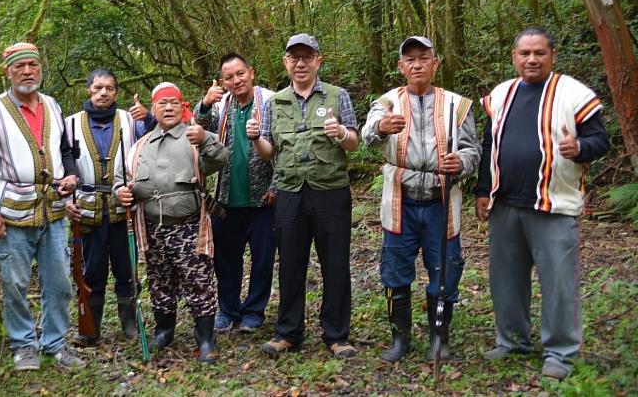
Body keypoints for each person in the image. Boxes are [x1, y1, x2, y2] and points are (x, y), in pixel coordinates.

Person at [474, 27, 609, 380]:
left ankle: (561, 353)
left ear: (552, 56)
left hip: (554, 203)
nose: (531, 59)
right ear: (514, 57)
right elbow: (491, 146)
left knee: (559, 282)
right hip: (505, 204)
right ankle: (513, 340)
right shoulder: (501, 94)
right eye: (524, 53)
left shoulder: (574, 94)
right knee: (505, 279)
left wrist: (580, 148)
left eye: (539, 53)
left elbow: (600, 140)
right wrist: (482, 190)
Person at [362, 36, 481, 363]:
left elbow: (473, 150)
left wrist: (462, 163)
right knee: (395, 271)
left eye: (423, 58)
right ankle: (400, 339)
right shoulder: (387, 102)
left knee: (444, 271)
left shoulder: (457, 105)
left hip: (441, 202)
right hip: (400, 200)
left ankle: (439, 339)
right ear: (401, 67)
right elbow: (367, 134)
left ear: (435, 64)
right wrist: (383, 128)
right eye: (410, 59)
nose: (417, 64)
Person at [0, 42, 85, 371]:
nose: (27, 72)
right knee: (15, 282)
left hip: (53, 209)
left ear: (40, 68)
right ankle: (23, 345)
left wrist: (72, 177)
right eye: (19, 67)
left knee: (59, 282)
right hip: (11, 211)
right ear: (8, 72)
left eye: (32, 65)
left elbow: (66, 150)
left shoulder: (52, 105)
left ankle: (55, 343)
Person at [247, 33, 360, 359]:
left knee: (335, 263)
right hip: (290, 193)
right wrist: (255, 139)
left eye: (307, 57)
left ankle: (337, 335)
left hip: (330, 192)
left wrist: (340, 133)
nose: (300, 63)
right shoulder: (274, 102)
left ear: (318, 61)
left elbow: (353, 142)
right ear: (285, 62)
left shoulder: (338, 97)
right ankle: (288, 332)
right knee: (291, 265)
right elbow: (268, 152)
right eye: (294, 57)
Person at [114, 82, 228, 364]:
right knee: (159, 283)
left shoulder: (194, 138)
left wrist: (204, 139)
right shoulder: (138, 147)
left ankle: (205, 339)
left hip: (189, 227)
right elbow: (121, 180)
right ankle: (164, 331)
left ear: (182, 106)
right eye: (162, 103)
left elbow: (220, 159)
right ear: (153, 109)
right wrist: (121, 192)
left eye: (173, 103)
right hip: (153, 229)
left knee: (198, 282)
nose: (168, 108)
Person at [64, 69, 155, 345]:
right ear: (88, 90)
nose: (104, 93)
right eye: (98, 88)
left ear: (116, 92)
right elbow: (60, 167)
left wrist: (149, 118)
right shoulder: (69, 125)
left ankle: (129, 324)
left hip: (123, 209)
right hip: (87, 209)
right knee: (91, 271)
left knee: (126, 268)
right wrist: (66, 200)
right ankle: (89, 329)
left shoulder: (132, 121)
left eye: (110, 88)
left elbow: (155, 141)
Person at [193, 53, 276, 333]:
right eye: (229, 77)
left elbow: (284, 148)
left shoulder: (272, 102)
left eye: (240, 74)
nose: (236, 80)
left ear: (251, 72)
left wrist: (276, 186)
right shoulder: (222, 107)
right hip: (226, 198)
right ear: (223, 81)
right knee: (226, 260)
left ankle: (254, 311)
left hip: (263, 198)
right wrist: (205, 103)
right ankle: (227, 310)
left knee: (262, 259)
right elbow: (198, 128)